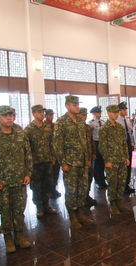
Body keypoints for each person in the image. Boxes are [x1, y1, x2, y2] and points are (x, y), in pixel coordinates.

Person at [0, 105, 32, 253]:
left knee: (19, 210)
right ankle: (8, 239)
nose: (9, 118)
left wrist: (28, 173)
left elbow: (28, 156)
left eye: (11, 115)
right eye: (5, 115)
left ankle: (19, 236)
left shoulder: (20, 135)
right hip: (2, 183)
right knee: (5, 211)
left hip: (19, 181)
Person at [53, 95, 93, 229]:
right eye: (74, 105)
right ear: (67, 106)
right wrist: (63, 162)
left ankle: (80, 213)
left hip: (82, 162)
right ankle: (73, 217)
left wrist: (87, 158)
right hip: (70, 163)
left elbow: (86, 142)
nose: (77, 107)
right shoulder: (61, 122)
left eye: (78, 104)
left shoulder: (81, 122)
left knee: (82, 189)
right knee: (71, 190)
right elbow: (57, 144)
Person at [25, 105, 57, 218]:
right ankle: (39, 207)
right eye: (39, 112)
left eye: (43, 112)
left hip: (47, 161)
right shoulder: (28, 129)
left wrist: (53, 157)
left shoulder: (47, 128)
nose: (42, 114)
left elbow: (51, 144)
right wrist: (29, 164)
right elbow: (27, 148)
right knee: (36, 187)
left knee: (48, 185)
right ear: (34, 113)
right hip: (35, 163)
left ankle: (46, 205)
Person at [99, 105, 131, 214]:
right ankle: (113, 204)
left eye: (117, 112)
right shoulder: (104, 128)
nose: (116, 114)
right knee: (113, 183)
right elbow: (102, 146)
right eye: (114, 112)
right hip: (111, 161)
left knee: (121, 182)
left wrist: (126, 157)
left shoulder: (120, 127)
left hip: (121, 159)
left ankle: (119, 202)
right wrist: (107, 160)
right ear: (108, 113)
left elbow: (124, 144)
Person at [79, 107, 97, 207]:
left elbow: (91, 142)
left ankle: (86, 195)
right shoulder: (75, 128)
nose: (84, 117)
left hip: (89, 158)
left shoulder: (87, 128)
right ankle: (81, 198)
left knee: (89, 177)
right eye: (82, 115)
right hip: (79, 159)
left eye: (85, 115)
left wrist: (93, 153)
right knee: (81, 179)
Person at [117, 102, 135, 194]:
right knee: (123, 166)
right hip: (121, 145)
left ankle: (126, 184)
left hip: (128, 144)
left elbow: (130, 133)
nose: (125, 111)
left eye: (126, 109)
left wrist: (132, 144)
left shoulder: (127, 120)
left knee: (129, 164)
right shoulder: (117, 120)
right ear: (119, 111)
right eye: (124, 110)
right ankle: (122, 186)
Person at [88, 106, 107, 189]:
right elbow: (89, 136)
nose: (99, 114)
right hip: (95, 143)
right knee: (96, 164)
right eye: (97, 113)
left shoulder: (103, 122)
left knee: (102, 163)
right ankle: (97, 181)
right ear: (93, 114)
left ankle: (102, 180)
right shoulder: (91, 123)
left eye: (99, 112)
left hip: (102, 143)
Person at [44, 109, 61, 199]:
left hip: (56, 153)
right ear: (45, 116)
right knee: (48, 176)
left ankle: (53, 189)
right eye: (49, 115)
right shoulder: (43, 126)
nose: (51, 117)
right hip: (47, 155)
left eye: (52, 115)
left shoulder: (55, 126)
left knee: (56, 174)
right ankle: (48, 191)